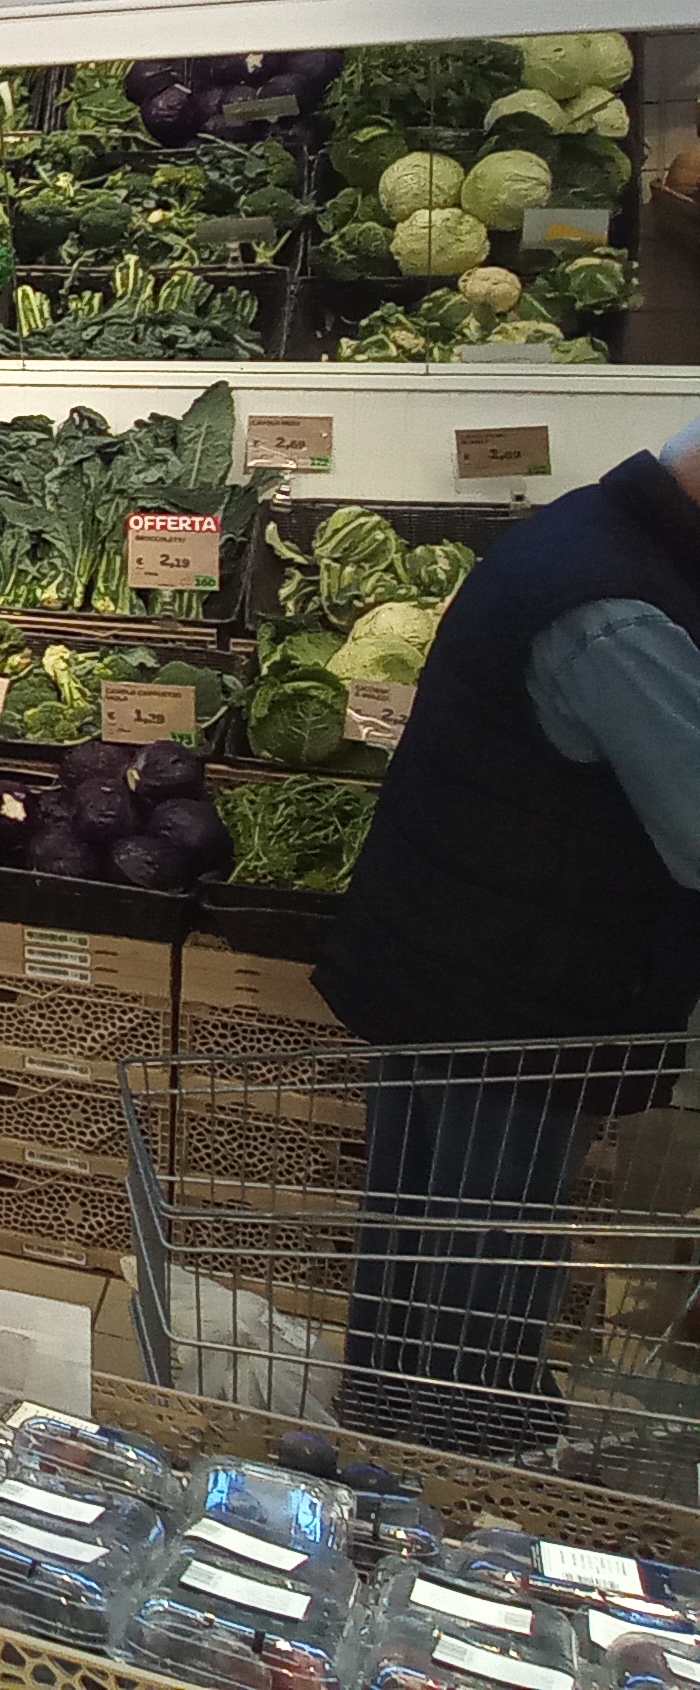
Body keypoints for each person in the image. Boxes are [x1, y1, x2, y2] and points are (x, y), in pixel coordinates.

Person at [311, 418, 700, 1458]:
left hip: (454, 952)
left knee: (418, 1231)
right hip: (519, 987)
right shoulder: (617, 613)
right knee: (487, 1251)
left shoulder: (584, 536)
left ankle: (391, 1436)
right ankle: (466, 1470)